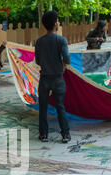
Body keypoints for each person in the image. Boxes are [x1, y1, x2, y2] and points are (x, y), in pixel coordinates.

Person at [35, 11, 71, 144]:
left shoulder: (39, 42)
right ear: (55, 23)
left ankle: (43, 134)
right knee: (60, 106)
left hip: (44, 78)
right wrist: (62, 63)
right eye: (58, 20)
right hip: (57, 78)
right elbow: (67, 59)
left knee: (43, 107)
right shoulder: (61, 40)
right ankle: (65, 134)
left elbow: (38, 61)